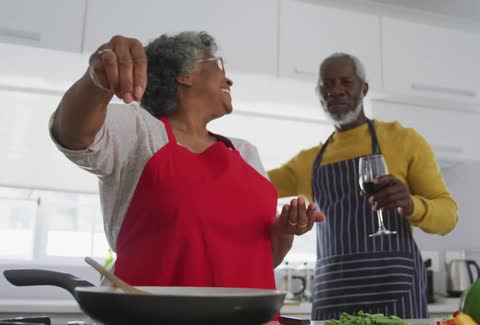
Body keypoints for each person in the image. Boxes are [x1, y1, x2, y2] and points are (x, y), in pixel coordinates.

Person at [49, 31, 324, 291]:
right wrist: (97, 79)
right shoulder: (139, 130)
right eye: (219, 66)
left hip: (245, 321)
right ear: (184, 74)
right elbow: (73, 134)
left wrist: (286, 231)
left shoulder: (245, 153)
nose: (229, 81)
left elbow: (264, 260)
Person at [268, 53, 458, 319]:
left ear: (363, 88)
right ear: (319, 92)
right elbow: (251, 185)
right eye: (327, 84)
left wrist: (412, 204)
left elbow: (449, 216)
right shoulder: (306, 161)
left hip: (395, 294)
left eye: (346, 82)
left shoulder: (404, 140)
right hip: (333, 297)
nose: (336, 90)